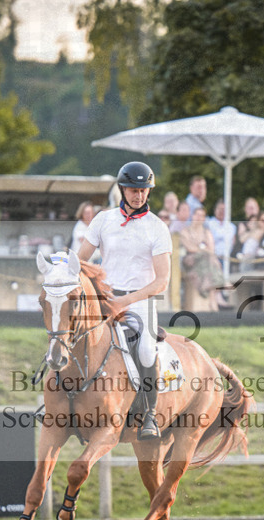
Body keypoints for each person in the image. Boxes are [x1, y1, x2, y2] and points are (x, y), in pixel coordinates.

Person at [77, 161, 171, 440]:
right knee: (73, 334)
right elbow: (79, 260)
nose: (138, 195)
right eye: (133, 189)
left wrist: (126, 300)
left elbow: (162, 281)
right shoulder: (103, 220)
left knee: (144, 351)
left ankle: (149, 415)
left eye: (143, 190)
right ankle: (61, 399)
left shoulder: (157, 228)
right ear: (122, 189)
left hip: (141, 300)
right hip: (105, 299)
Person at [178, 206, 224, 310]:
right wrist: (203, 249)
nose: (199, 217)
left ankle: (212, 297)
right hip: (190, 262)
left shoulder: (206, 232)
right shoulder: (185, 231)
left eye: (202, 215)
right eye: (197, 215)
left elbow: (211, 249)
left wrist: (199, 248)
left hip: (205, 262)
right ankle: (215, 296)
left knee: (208, 259)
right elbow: (190, 248)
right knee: (209, 258)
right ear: (193, 216)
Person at [205, 199, 236, 269]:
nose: (221, 211)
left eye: (224, 209)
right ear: (215, 210)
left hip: (228, 259)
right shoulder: (209, 224)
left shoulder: (231, 227)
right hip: (213, 257)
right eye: (219, 209)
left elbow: (233, 243)